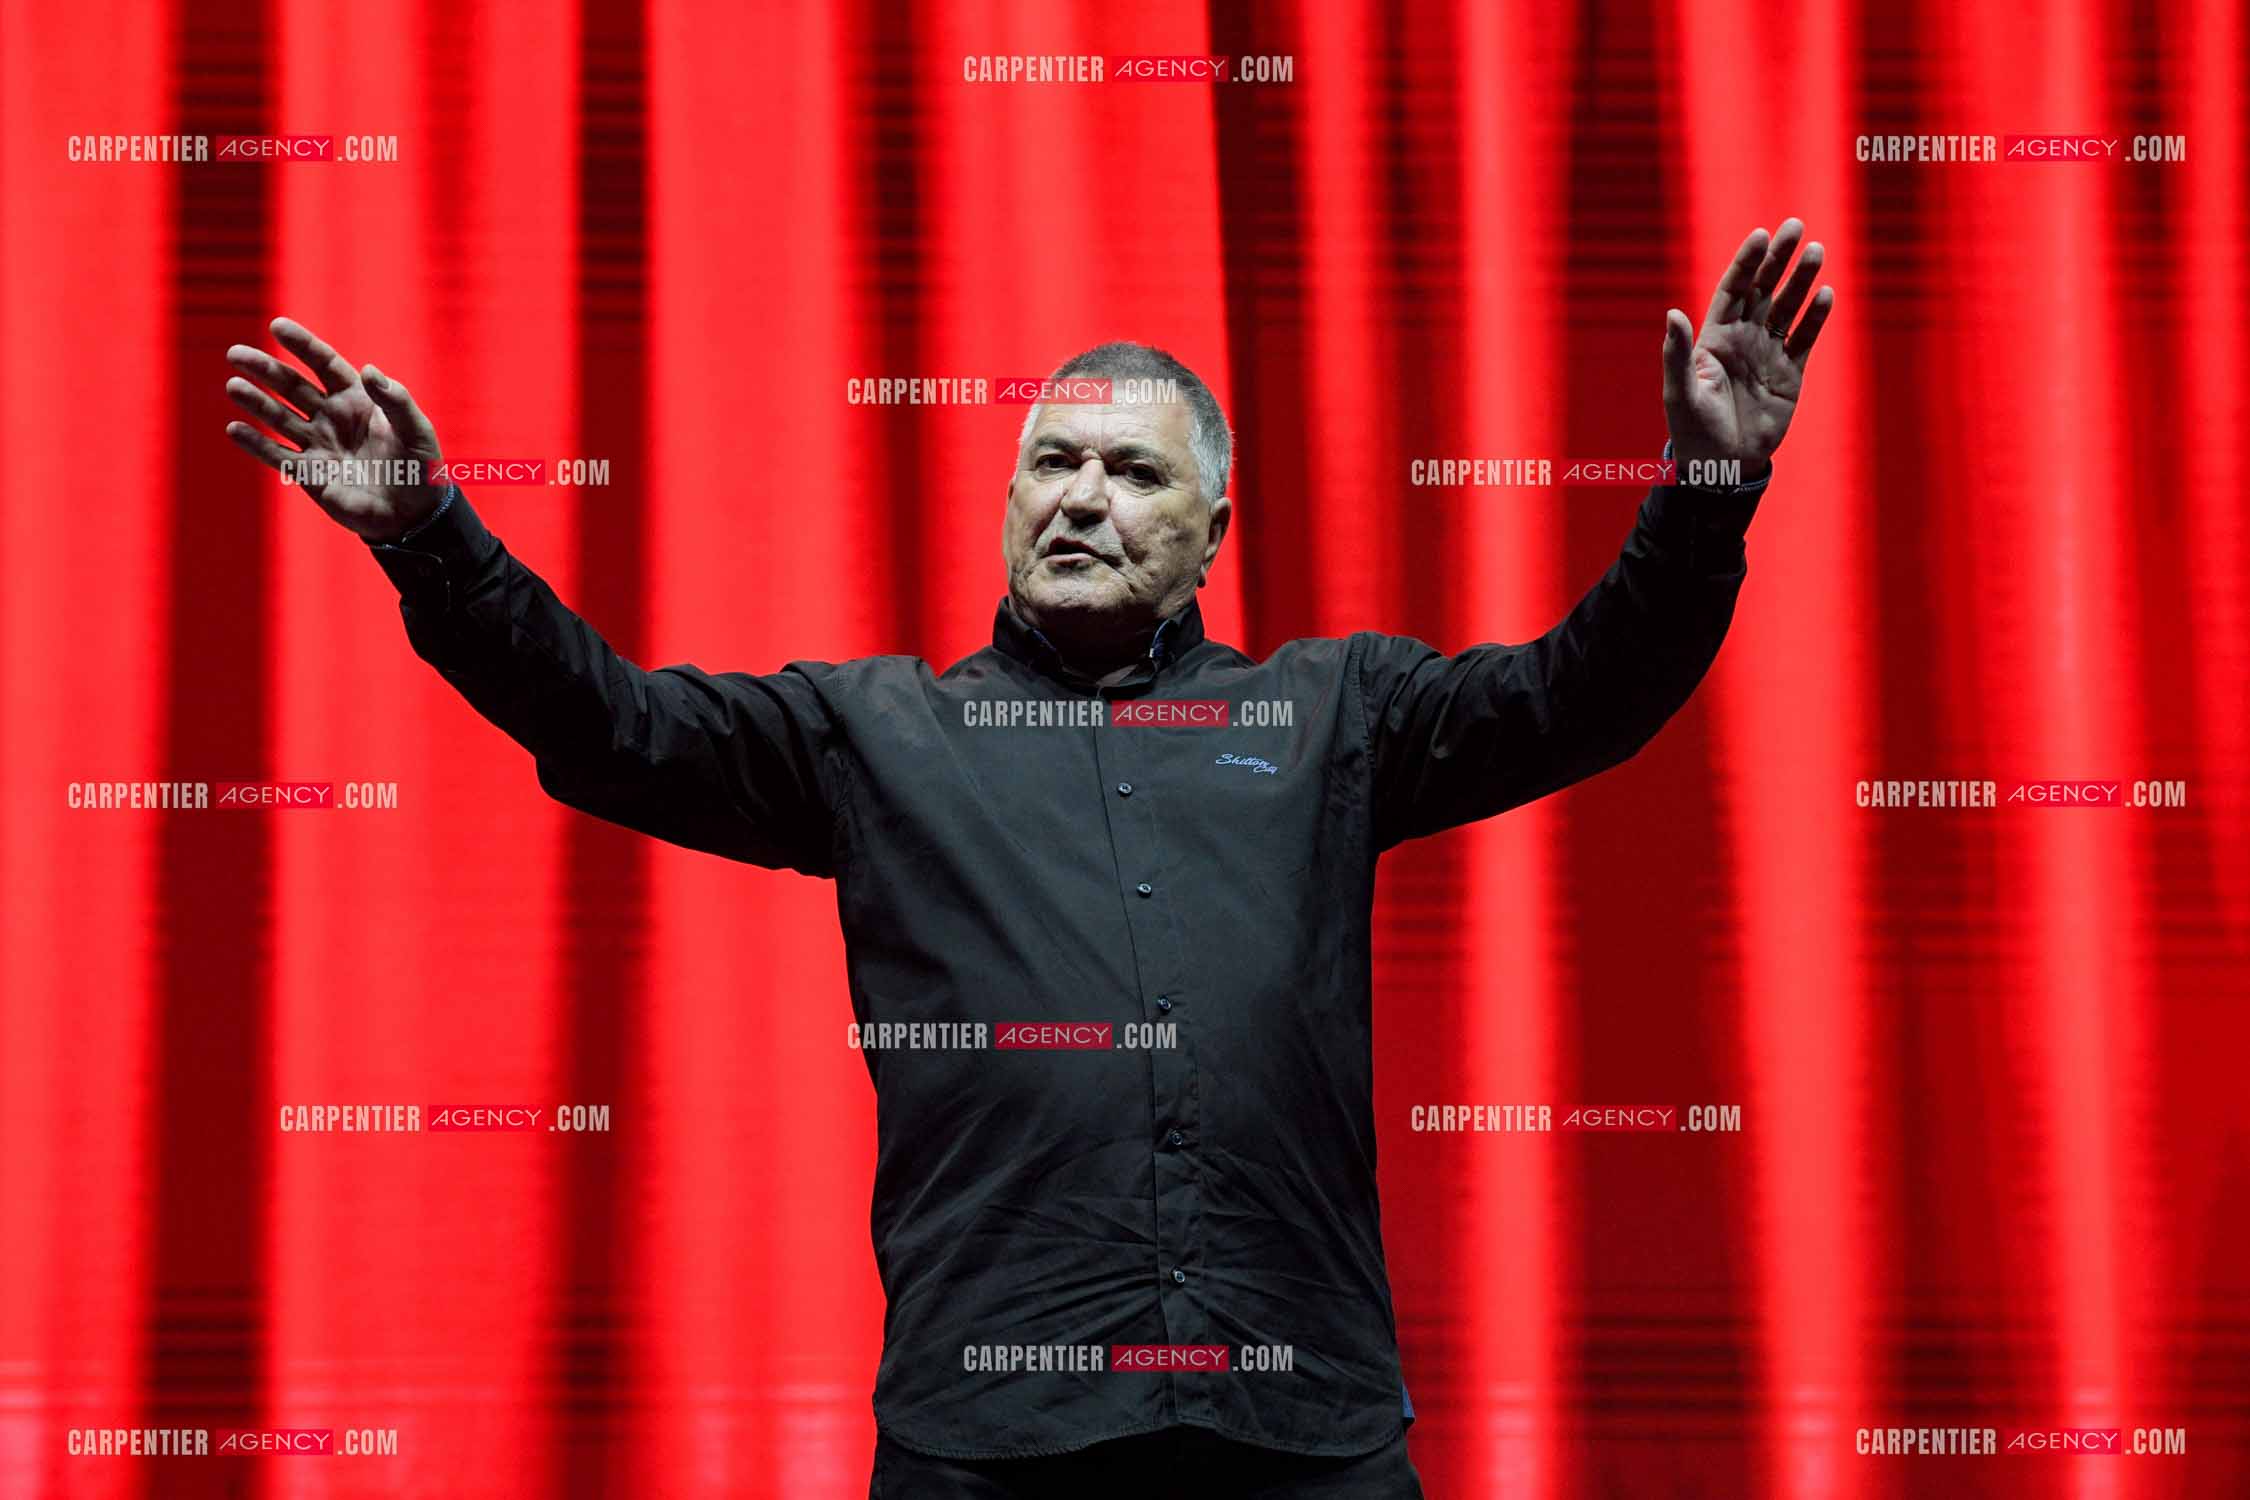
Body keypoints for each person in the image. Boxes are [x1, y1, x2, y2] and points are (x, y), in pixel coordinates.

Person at [222, 220, 1833, 1499]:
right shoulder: (872, 734)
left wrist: (1709, 484)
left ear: (1210, 531)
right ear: (1003, 505)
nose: (1079, 499)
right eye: (1051, 467)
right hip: (988, 1437)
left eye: (1132, 475)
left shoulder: (1338, 711)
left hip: (1302, 1426)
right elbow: (611, 725)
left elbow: (1587, 694)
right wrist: (428, 531)